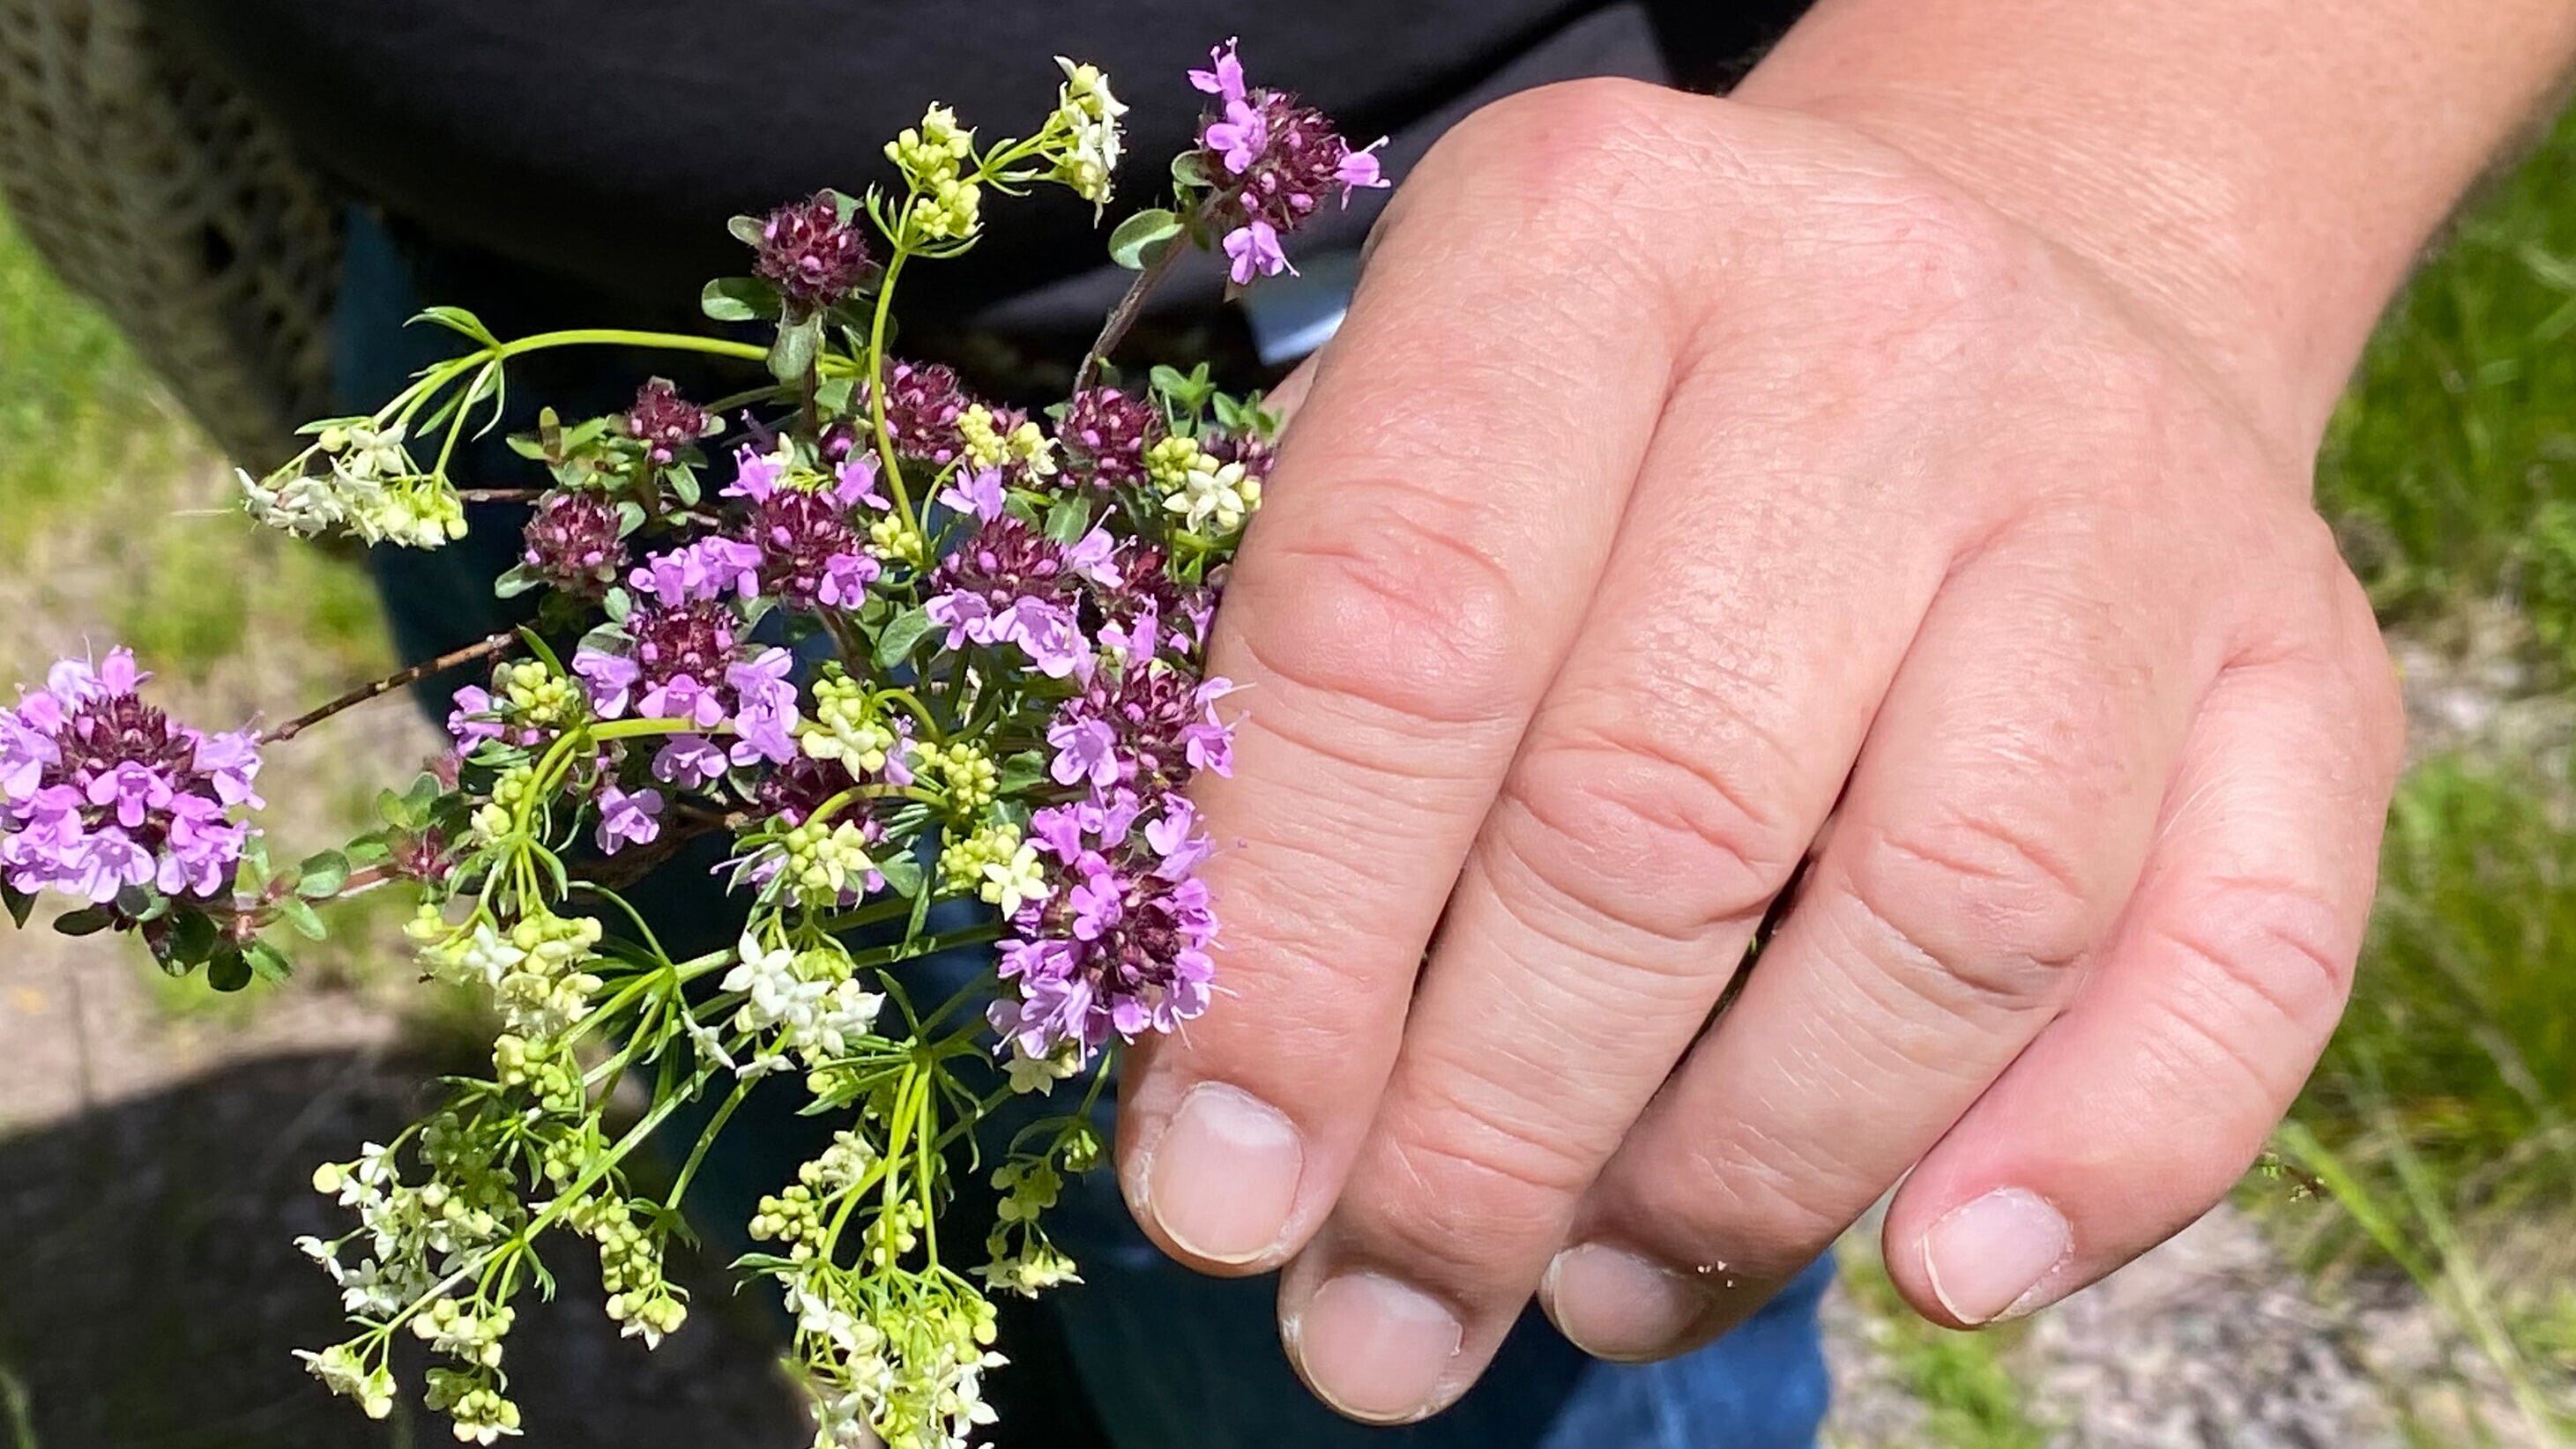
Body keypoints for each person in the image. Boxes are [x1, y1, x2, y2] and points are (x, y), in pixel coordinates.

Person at [128, 0, 2576, 1443]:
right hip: (557, 421)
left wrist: (2120, 171)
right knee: (856, 1234)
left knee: (1456, 1329)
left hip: (1483, 492)